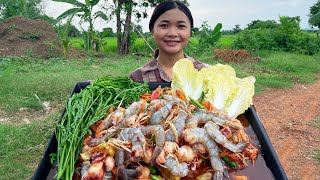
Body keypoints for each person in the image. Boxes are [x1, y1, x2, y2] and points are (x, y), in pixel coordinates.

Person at [129, 0, 209, 82]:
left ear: (190, 33)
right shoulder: (137, 78)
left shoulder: (207, 73)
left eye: (181, 26)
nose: (172, 33)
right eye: (164, 25)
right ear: (152, 31)